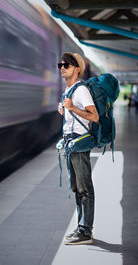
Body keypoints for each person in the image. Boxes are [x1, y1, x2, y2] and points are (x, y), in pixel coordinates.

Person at [57, 53, 99, 245]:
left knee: (85, 188)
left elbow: (94, 116)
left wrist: (72, 108)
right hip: (70, 144)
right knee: (77, 188)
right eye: (61, 64)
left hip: (80, 143)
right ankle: (81, 227)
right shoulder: (69, 90)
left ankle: (86, 231)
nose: (62, 67)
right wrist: (65, 109)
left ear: (77, 69)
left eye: (67, 64)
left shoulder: (81, 90)